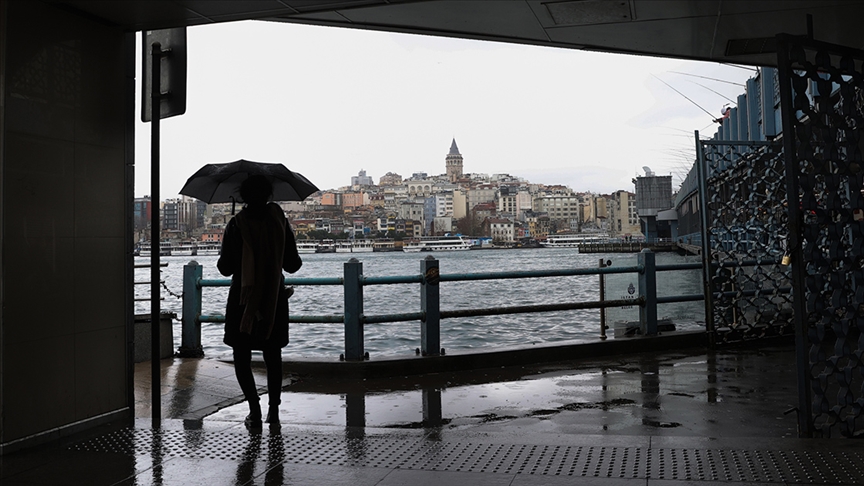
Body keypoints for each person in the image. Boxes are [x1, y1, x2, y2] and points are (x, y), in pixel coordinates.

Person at [218, 175, 302, 428]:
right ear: (269, 196)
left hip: (242, 299)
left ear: (242, 197)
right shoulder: (280, 223)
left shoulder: (236, 224)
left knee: (241, 355)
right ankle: (273, 411)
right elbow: (294, 264)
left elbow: (225, 268)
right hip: (273, 298)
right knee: (272, 354)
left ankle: (254, 410)